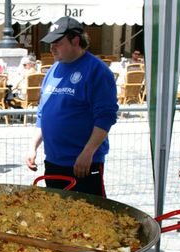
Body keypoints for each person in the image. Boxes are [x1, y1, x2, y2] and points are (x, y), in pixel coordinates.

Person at [25, 16, 118, 197]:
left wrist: (88, 152)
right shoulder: (53, 69)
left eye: (57, 42)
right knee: (55, 215)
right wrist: (33, 146)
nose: (51, 47)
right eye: (50, 42)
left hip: (82, 162)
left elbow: (106, 116)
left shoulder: (97, 70)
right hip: (53, 161)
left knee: (89, 215)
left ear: (75, 40)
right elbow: (43, 113)